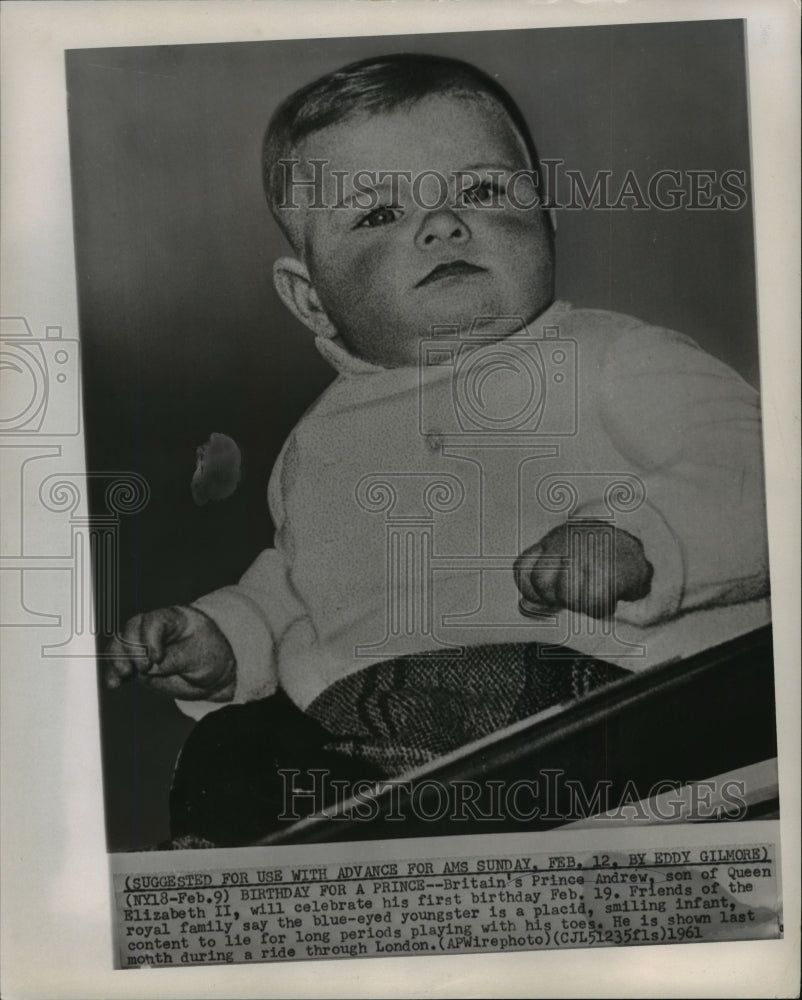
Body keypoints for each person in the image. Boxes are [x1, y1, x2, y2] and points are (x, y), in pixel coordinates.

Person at [106, 55, 770, 823]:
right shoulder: (314, 446)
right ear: (310, 298)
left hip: (624, 699)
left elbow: (760, 475)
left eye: (483, 190)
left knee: (441, 691)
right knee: (233, 748)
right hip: (376, 738)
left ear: (548, 218)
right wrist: (225, 639)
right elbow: (299, 588)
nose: (445, 223)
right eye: (379, 214)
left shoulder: (610, 356)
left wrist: (637, 537)